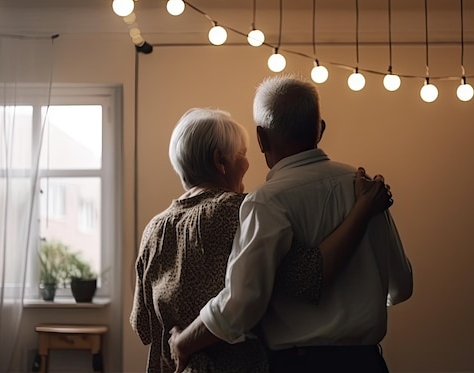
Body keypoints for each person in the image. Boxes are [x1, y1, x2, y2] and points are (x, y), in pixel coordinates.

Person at [168, 76, 413, 373]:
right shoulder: (366, 190)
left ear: (261, 138)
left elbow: (241, 305)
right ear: (320, 129)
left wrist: (183, 342)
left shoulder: (266, 202)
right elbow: (401, 287)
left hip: (299, 365)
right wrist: (357, 303)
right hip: (368, 363)